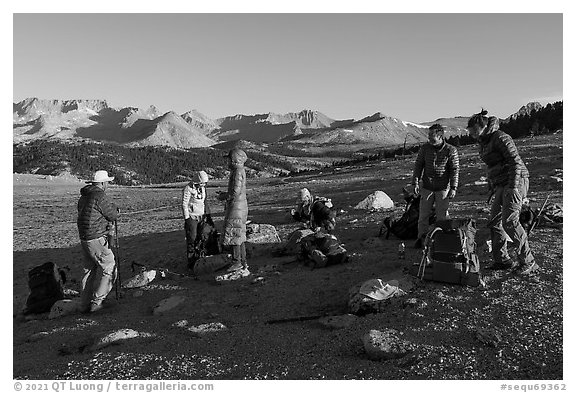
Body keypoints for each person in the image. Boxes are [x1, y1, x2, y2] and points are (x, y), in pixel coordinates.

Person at [467, 109, 537, 275]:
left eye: (473, 131)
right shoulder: (484, 142)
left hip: (515, 181)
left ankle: (528, 261)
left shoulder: (500, 137)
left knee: (510, 222)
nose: (471, 135)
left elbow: (515, 162)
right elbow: (492, 165)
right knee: (495, 222)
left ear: (481, 126)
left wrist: (513, 186)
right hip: (500, 184)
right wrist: (492, 185)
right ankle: (502, 260)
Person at [77, 170, 119, 313]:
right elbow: (112, 214)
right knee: (109, 266)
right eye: (107, 182)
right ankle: (97, 302)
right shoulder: (99, 196)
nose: (108, 184)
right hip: (96, 237)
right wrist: (116, 210)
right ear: (102, 183)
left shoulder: (84, 195)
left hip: (85, 237)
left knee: (88, 271)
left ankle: (84, 304)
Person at [411, 123, 460, 248]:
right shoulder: (425, 149)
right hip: (427, 187)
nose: (429, 138)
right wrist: (415, 182)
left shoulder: (451, 150)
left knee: (442, 217)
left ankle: (441, 242)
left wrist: (453, 187)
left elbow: (454, 170)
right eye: (428, 136)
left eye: (431, 136)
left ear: (440, 136)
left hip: (443, 188)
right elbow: (418, 165)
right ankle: (421, 240)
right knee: (423, 216)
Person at [219, 148, 249, 272]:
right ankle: (243, 261)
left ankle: (236, 262)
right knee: (240, 234)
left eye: (230, 160)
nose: (228, 162)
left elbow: (235, 191)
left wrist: (224, 196)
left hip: (236, 207)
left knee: (234, 234)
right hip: (240, 206)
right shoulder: (240, 171)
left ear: (234, 160)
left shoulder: (237, 172)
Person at [182, 170, 213, 270]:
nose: (203, 185)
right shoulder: (188, 189)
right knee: (192, 238)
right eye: (201, 183)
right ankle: (191, 262)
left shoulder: (203, 189)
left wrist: (207, 215)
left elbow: (204, 202)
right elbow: (184, 204)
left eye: (204, 183)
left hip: (202, 216)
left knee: (202, 237)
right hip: (192, 217)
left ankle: (201, 257)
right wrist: (187, 219)